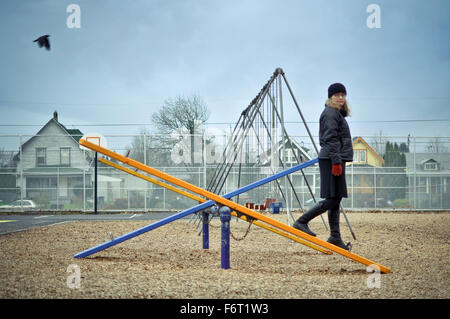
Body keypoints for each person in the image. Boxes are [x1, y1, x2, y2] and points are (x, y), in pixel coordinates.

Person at [293, 83, 353, 250]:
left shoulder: (337, 114)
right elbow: (330, 138)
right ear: (330, 97)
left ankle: (335, 236)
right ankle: (301, 221)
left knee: (336, 198)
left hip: (334, 158)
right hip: (332, 159)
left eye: (343, 94)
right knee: (332, 198)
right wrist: (336, 162)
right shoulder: (330, 113)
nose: (340, 97)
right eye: (337, 95)